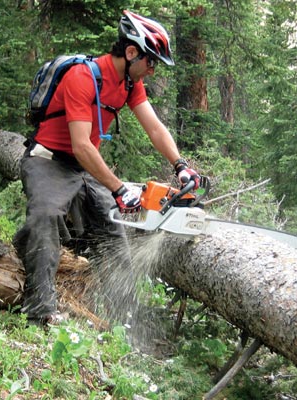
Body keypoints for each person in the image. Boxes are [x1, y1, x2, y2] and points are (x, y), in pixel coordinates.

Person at [13, 10, 200, 326]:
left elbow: (154, 127)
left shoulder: (129, 83)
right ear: (131, 52)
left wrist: (180, 166)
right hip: (47, 160)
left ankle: (120, 320)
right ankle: (40, 311)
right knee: (45, 218)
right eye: (150, 61)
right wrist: (119, 188)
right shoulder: (82, 77)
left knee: (114, 240)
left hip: (83, 169)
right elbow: (82, 145)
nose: (152, 70)